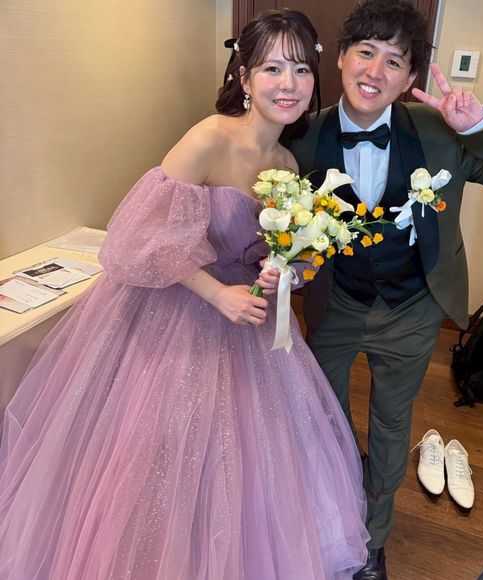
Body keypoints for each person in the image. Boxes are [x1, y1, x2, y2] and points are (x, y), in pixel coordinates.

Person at [0, 9, 370, 579]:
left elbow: (273, 249)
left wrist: (281, 270)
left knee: (246, 458)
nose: (289, 83)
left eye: (300, 69)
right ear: (244, 77)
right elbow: (135, 239)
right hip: (174, 313)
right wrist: (217, 294)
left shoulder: (287, 163)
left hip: (246, 323)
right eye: (272, 68)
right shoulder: (208, 138)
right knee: (162, 453)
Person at [289, 1, 483, 578]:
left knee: (391, 422)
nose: (375, 71)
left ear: (408, 79)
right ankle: (335, 512)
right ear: (342, 57)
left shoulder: (439, 131)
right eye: (366, 52)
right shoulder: (303, 136)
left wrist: (479, 124)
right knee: (322, 417)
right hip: (336, 302)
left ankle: (374, 538)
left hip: (414, 307)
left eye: (394, 61)